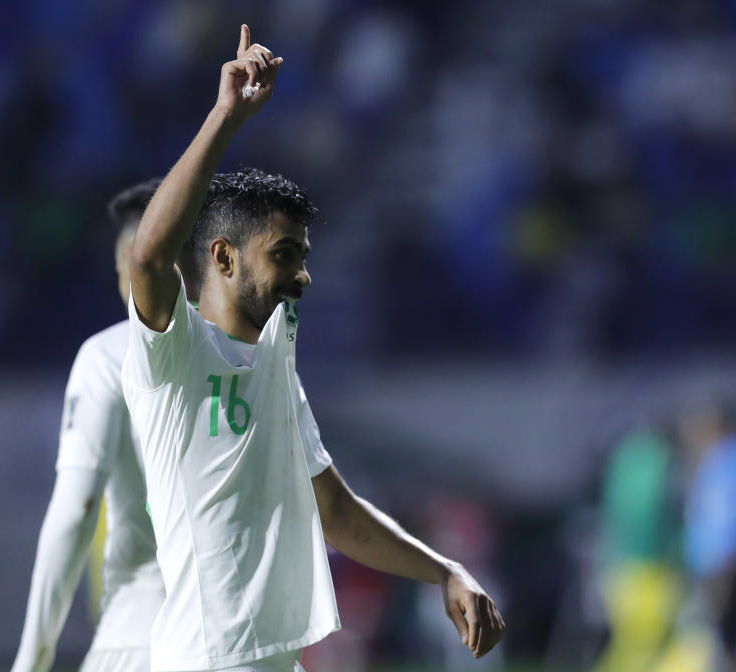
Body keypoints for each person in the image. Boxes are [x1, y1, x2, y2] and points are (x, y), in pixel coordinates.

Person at [123, 24, 504, 672]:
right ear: (222, 258)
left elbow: (337, 513)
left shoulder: (276, 377)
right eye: (284, 256)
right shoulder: (175, 356)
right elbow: (152, 254)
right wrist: (225, 117)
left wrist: (444, 572)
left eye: (302, 256)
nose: (303, 276)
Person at [12, 179, 171, 672]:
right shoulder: (253, 357)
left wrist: (32, 657)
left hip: (144, 633)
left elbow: (76, 509)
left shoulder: (109, 355)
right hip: (248, 642)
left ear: (131, 259)